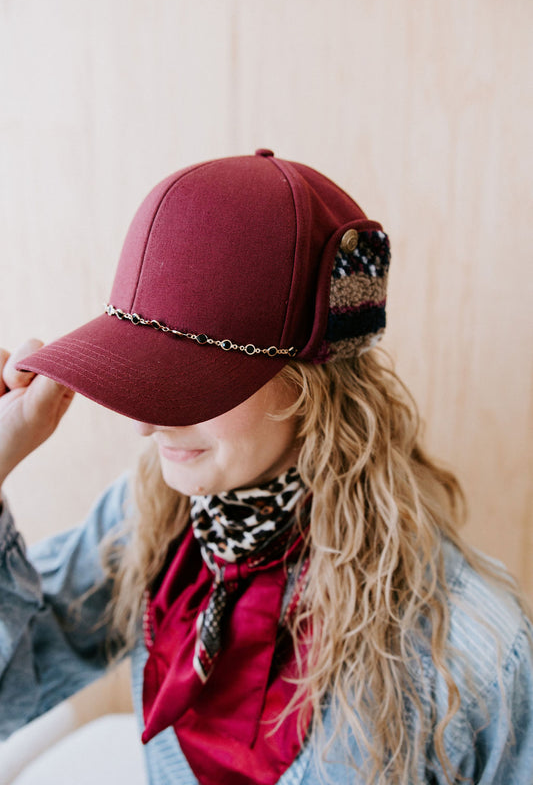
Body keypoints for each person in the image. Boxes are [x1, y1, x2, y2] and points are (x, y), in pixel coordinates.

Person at [0, 149, 531, 785]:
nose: (144, 426)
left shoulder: (472, 653)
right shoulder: (148, 518)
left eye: (189, 385)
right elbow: (10, 692)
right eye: (139, 374)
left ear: (313, 389)